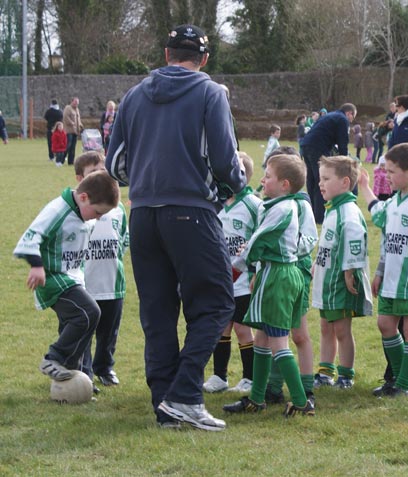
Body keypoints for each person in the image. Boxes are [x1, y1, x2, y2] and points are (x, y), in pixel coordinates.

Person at [105, 24, 246, 431]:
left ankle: (164, 403)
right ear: (203, 59)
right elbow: (224, 160)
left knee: (158, 312)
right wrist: (232, 186)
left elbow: (115, 165)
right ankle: (185, 393)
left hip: (143, 214)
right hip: (191, 210)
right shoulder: (210, 92)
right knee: (218, 302)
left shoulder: (133, 95)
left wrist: (150, 178)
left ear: (166, 54)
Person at [223, 154, 315, 418]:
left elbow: (258, 240)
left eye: (268, 176)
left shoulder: (283, 209)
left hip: (279, 276)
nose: (262, 180)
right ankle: (257, 398)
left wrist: (236, 268)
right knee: (262, 337)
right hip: (271, 273)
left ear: (285, 184)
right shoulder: (275, 204)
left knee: (277, 341)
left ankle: (300, 401)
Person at [13, 171, 120, 383]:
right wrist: (36, 265)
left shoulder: (83, 211)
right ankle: (54, 359)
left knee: (77, 323)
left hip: (72, 278)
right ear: (83, 197)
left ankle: (73, 378)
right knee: (89, 312)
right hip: (52, 278)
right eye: (98, 212)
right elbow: (31, 235)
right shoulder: (57, 210)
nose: (98, 218)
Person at [359, 143, 408, 397]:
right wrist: (380, 271)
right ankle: (398, 378)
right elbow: (386, 237)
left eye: (392, 172)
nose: (388, 176)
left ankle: (403, 385)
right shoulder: (394, 202)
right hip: (391, 279)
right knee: (385, 324)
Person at [262, 148, 318, 405]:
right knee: (272, 332)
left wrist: (288, 251)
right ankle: (272, 387)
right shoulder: (272, 203)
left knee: (298, 334)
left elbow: (308, 239)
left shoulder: (301, 205)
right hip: (274, 273)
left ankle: (306, 390)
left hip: (295, 273)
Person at [312, 156, 372, 389]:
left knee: (341, 329)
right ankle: (325, 371)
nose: (320, 184)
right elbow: (328, 243)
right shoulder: (333, 209)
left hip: (340, 282)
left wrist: (349, 271)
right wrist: (317, 262)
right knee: (326, 326)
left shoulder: (348, 211)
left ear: (345, 182)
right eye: (320, 179)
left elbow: (355, 241)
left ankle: (346, 375)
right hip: (326, 282)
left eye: (326, 179)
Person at [203, 152, 260, 394]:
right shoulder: (216, 203)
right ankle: (219, 376)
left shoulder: (254, 205)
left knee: (242, 328)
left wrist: (255, 270)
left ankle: (249, 377)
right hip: (219, 277)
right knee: (221, 326)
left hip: (243, 278)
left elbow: (261, 239)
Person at [74, 152, 129, 388]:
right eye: (92, 173)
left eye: (102, 171)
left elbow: (125, 239)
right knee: (84, 329)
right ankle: (84, 372)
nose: (99, 177)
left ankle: (104, 367)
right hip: (85, 284)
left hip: (112, 284)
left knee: (108, 332)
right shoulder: (77, 210)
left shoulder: (116, 209)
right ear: (80, 179)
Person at [300, 103, 357, 224]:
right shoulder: (342, 120)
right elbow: (343, 142)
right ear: (349, 113)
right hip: (318, 147)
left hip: (306, 144)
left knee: (311, 180)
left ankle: (312, 213)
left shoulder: (330, 115)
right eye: (353, 117)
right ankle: (319, 216)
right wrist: (344, 160)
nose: (351, 121)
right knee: (321, 182)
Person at [63, 97, 84, 165]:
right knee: (68, 146)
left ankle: (71, 161)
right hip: (69, 131)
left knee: (73, 147)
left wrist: (81, 125)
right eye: (75, 102)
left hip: (75, 131)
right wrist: (72, 123)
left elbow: (78, 119)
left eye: (77, 103)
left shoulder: (77, 109)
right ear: (72, 101)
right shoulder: (68, 108)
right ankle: (61, 159)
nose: (76, 104)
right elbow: (66, 117)